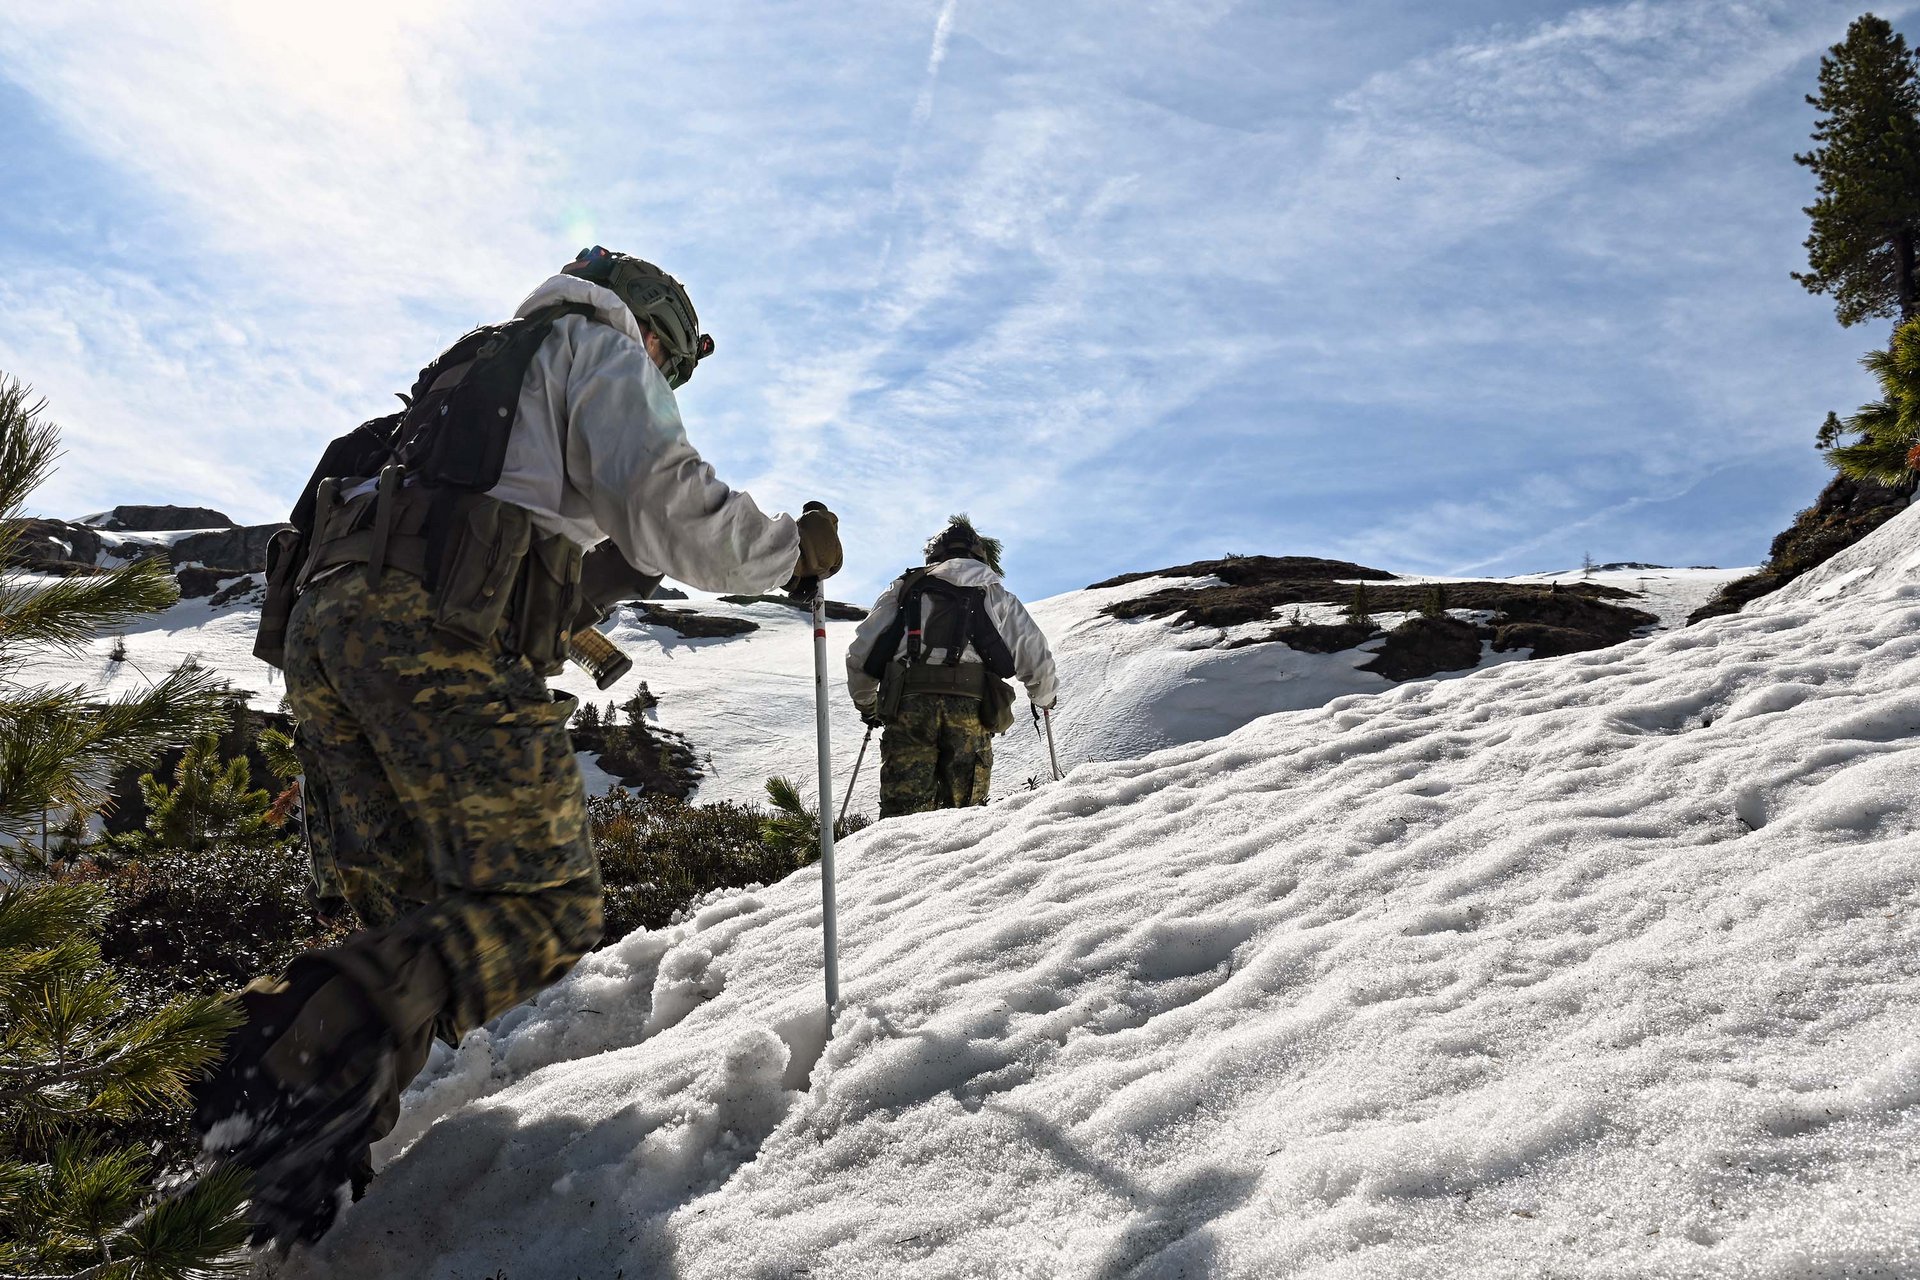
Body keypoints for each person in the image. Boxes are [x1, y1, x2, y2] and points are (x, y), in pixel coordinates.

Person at [193, 247, 843, 1248]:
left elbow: (487, 525)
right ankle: (276, 1054)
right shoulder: (596, 345)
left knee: (417, 919)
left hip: (323, 648)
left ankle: (293, 1151)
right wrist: (788, 553)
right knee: (542, 900)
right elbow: (671, 504)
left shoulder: (455, 389)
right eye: (672, 369)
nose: (665, 388)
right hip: (430, 633)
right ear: (654, 330)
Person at [845, 517, 1056, 817]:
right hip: (971, 711)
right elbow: (1034, 654)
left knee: (902, 819)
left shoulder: (905, 588)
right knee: (964, 818)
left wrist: (867, 704)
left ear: (933, 556)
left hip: (910, 707)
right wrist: (1044, 697)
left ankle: (900, 862)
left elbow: (861, 654)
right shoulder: (997, 595)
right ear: (980, 556)